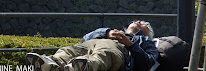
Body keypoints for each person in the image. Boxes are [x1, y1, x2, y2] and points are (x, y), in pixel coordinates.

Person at [26, 20, 159, 71]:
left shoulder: (146, 42)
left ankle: (84, 67)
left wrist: (130, 44)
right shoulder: (112, 32)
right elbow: (85, 39)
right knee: (72, 50)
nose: (138, 22)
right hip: (93, 44)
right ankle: (51, 63)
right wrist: (106, 32)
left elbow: (147, 63)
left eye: (143, 25)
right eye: (137, 21)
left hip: (120, 51)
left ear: (147, 33)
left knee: (105, 51)